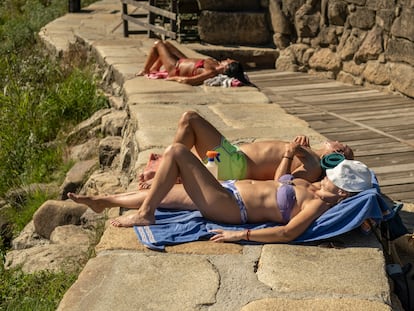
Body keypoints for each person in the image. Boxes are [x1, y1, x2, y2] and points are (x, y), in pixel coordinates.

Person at [68, 143, 372, 243]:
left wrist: (241, 236)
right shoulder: (315, 184)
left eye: (337, 178)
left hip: (229, 206)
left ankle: (146, 215)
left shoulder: (319, 203)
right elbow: (281, 181)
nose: (330, 176)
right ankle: (103, 202)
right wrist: (287, 156)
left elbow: (288, 233)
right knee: (166, 194)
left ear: (344, 191)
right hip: (228, 190)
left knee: (177, 152)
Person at [138, 111, 354, 188]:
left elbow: (282, 184)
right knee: (189, 120)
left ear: (336, 156)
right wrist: (298, 148)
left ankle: (164, 175)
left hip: (235, 167)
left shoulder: (314, 166)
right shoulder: (307, 151)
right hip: (232, 155)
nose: (337, 141)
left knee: (190, 119)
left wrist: (290, 152)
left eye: (342, 146)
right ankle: (167, 171)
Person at [136, 40, 251, 86]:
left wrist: (172, 78)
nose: (227, 58)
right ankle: (154, 69)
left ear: (227, 66)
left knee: (158, 44)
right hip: (182, 61)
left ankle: (146, 70)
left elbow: (187, 80)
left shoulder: (211, 72)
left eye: (229, 60)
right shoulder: (214, 63)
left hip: (175, 68)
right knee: (167, 44)